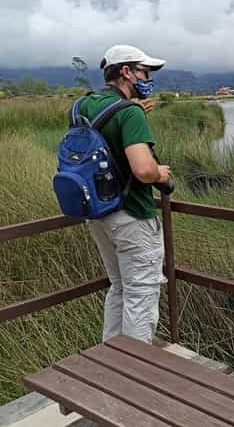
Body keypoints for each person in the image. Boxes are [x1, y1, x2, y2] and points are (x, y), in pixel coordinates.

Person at [80, 45, 171, 343]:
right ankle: (135, 373)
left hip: (97, 213)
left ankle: (112, 364)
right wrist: (161, 174)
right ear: (126, 72)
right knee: (141, 293)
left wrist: (132, 111)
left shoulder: (83, 105)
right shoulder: (129, 113)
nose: (147, 78)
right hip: (131, 215)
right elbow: (143, 169)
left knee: (119, 287)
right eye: (144, 71)